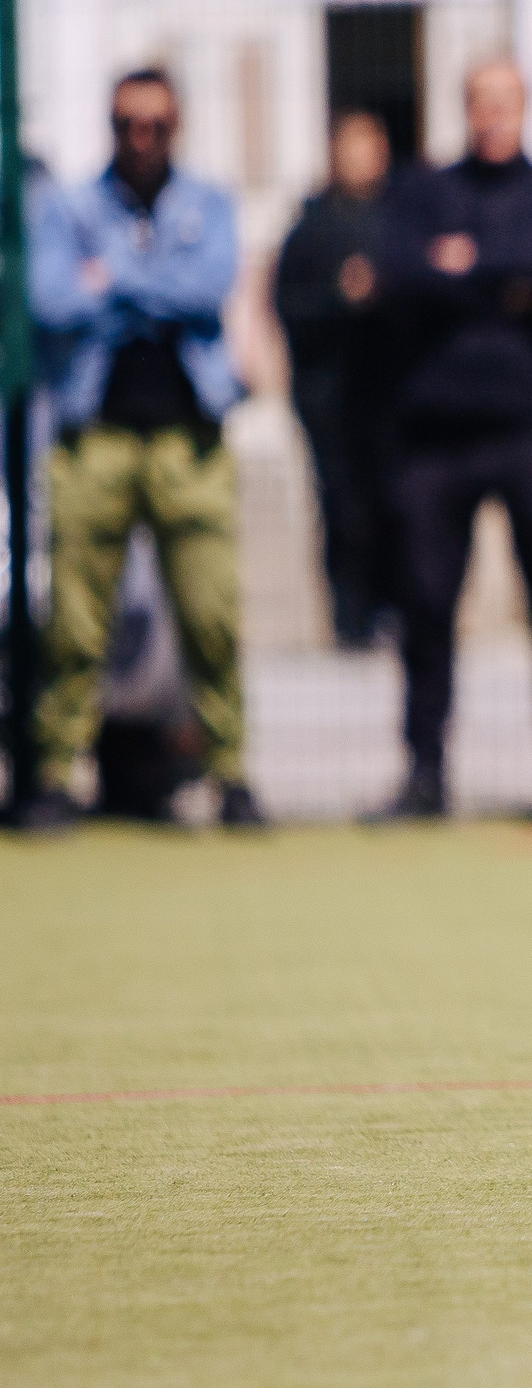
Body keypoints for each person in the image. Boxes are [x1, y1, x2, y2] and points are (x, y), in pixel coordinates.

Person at [24, 69, 263, 829]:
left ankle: (231, 773)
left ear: (177, 126)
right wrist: (156, 282)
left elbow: (208, 289)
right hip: (94, 438)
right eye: (128, 124)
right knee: (75, 620)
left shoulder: (209, 204)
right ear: (111, 126)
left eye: (157, 124)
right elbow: (52, 300)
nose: (142, 138)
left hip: (189, 441)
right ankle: (57, 772)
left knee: (211, 614)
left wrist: (113, 278)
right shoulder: (69, 206)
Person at [369, 59, 532, 821]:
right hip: (434, 438)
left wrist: (465, 261)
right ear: (463, 108)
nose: (493, 115)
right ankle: (424, 775)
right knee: (426, 608)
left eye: (506, 102)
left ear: (526, 107)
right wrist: (509, 274)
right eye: (480, 103)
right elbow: (398, 271)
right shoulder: (420, 192)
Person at [274, 110, 396, 649]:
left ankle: (392, 609)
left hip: (390, 396)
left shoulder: (401, 220)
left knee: (394, 503)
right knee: (342, 506)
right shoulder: (310, 230)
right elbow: (289, 307)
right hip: (329, 396)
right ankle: (349, 618)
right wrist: (340, 298)